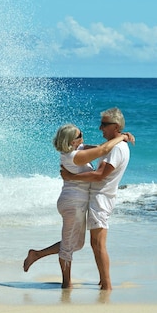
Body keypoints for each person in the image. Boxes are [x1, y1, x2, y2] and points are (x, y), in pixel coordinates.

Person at [23, 121, 133, 288]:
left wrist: (119, 138)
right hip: (72, 202)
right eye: (79, 136)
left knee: (77, 244)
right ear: (71, 141)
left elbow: (102, 146)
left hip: (76, 202)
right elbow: (103, 150)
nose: (83, 136)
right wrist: (123, 136)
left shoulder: (78, 150)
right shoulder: (74, 156)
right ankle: (66, 284)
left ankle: (37, 254)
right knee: (68, 245)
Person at [60, 107, 131, 291]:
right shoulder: (112, 146)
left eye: (104, 125)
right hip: (97, 197)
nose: (100, 128)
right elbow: (100, 149)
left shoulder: (116, 149)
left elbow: (99, 175)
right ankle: (103, 282)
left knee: (97, 244)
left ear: (115, 126)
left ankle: (106, 285)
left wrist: (72, 177)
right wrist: (121, 136)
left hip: (101, 198)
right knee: (91, 243)